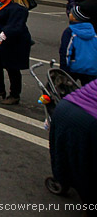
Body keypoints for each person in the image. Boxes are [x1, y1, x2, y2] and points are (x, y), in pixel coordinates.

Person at [49, 79, 97, 208]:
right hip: (88, 119)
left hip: (66, 106)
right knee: (88, 165)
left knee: (67, 153)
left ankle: (63, 179)